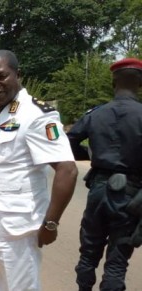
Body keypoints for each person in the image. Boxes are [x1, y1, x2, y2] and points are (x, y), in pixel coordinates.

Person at [0, 49, 78, 290]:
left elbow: (67, 169)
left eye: (1, 77)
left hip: (20, 226)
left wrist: (51, 223)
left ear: (17, 74)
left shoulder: (35, 115)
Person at [67, 58, 142, 291]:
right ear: (140, 85)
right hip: (131, 196)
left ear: (113, 82)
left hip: (98, 190)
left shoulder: (96, 114)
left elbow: (68, 140)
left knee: (88, 254)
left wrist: (88, 156)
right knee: (117, 264)